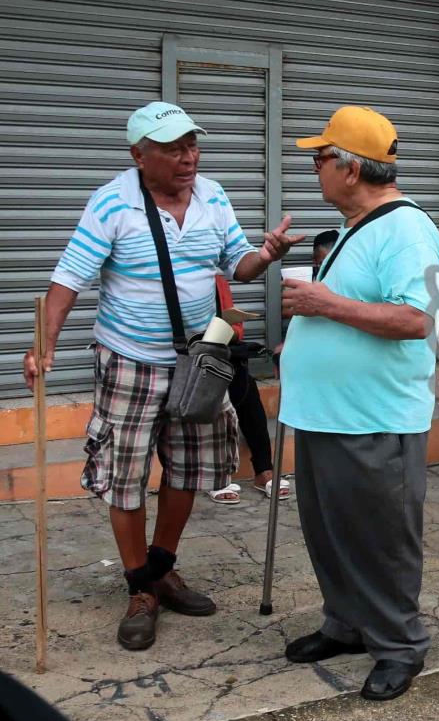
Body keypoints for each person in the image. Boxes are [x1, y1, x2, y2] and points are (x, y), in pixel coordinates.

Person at [22, 102, 298, 650]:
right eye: (173, 148)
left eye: (192, 144)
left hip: (199, 360)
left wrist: (265, 254)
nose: (188, 157)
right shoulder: (112, 202)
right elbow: (67, 280)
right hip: (129, 360)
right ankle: (139, 588)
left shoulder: (214, 196)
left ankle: (163, 566)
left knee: (190, 470)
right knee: (125, 475)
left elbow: (235, 263)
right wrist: (42, 348)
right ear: (139, 156)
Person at [279, 106, 439, 702]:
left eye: (320, 157)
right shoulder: (357, 227)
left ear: (350, 169)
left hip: (374, 419)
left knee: (381, 539)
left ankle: (399, 646)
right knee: (331, 531)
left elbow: (414, 318)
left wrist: (325, 306)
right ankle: (346, 624)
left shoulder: (406, 229)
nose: (314, 168)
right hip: (327, 414)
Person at [207, 276, 285, 504]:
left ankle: (264, 471)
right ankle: (217, 475)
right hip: (189, 353)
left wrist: (230, 330)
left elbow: (232, 320)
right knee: (212, 395)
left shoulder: (216, 277)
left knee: (247, 390)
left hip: (221, 347)